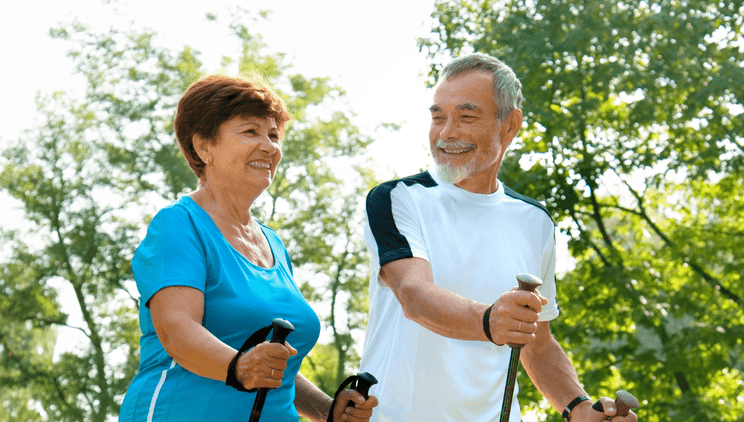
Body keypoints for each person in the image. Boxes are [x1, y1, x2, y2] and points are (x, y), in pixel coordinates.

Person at [358, 53, 637, 422]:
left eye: (466, 117)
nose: (446, 133)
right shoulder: (398, 198)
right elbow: (415, 296)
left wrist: (579, 407)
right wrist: (490, 320)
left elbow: (536, 343)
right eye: (438, 117)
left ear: (510, 126)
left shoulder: (534, 221)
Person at [119, 73, 378, 422]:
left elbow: (273, 367)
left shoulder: (273, 244)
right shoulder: (178, 225)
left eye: (273, 135)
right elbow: (176, 329)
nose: (269, 146)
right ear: (203, 146)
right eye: (250, 131)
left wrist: (327, 410)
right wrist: (238, 367)